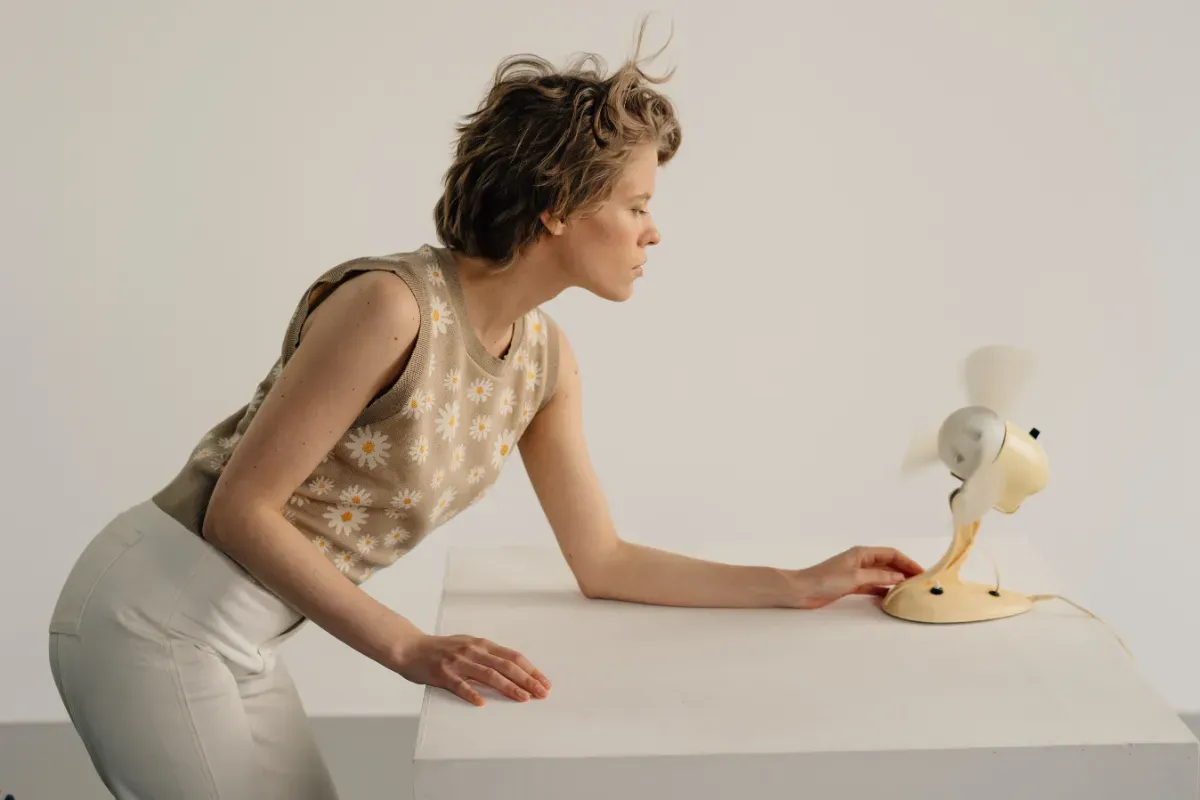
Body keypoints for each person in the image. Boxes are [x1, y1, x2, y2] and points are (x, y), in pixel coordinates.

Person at [46, 18, 924, 800]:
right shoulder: (391, 306)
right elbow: (241, 511)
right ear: (556, 207)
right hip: (150, 617)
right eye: (637, 205)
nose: (654, 231)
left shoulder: (544, 362)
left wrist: (797, 584)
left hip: (247, 633)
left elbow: (604, 560)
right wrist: (407, 647)